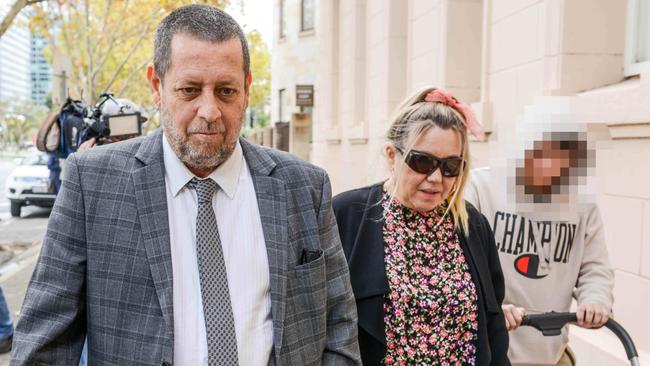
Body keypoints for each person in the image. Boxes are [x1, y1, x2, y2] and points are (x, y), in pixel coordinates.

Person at [12, 5, 360, 365]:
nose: (209, 111)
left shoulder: (304, 187)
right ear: (156, 84)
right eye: (190, 90)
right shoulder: (93, 182)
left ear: (247, 87)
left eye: (226, 91)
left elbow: (338, 330)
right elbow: (44, 344)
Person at [333, 87, 510, 365]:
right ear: (392, 155)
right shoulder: (346, 215)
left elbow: (494, 329)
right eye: (422, 161)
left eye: (451, 166)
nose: (436, 178)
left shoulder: (472, 225)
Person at [465, 126, 614, 366]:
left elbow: (595, 266)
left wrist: (595, 298)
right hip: (492, 351)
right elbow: (458, 260)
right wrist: (488, 307)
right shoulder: (480, 187)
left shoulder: (582, 205)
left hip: (551, 354)